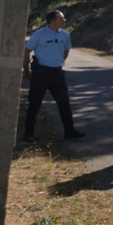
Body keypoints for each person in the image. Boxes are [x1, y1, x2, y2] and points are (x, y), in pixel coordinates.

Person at [21, 10, 86, 142]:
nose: (64, 21)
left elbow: (66, 50)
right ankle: (28, 133)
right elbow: (27, 51)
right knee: (34, 103)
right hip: (40, 73)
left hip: (57, 73)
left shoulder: (65, 35)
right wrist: (26, 70)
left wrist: (58, 61)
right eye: (62, 18)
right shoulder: (39, 34)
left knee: (64, 103)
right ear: (53, 21)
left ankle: (69, 130)